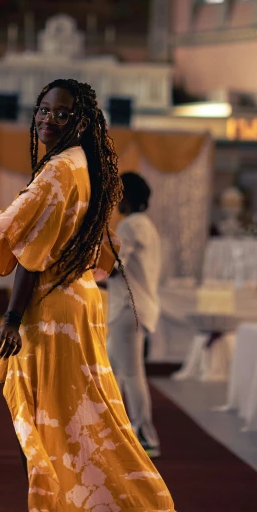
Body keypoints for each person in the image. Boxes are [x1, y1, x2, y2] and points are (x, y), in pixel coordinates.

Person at [0, 78, 205, 512]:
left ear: (80, 120)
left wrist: (13, 317)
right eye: (42, 110)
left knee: (41, 429)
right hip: (80, 303)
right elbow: (99, 251)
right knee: (83, 424)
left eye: (60, 113)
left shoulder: (58, 171)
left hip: (52, 312)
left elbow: (25, 250)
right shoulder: (89, 165)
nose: (47, 120)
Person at [105, 172, 162, 459]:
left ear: (129, 197)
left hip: (129, 307)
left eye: (118, 193)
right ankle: (113, 431)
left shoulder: (129, 226)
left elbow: (115, 269)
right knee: (112, 372)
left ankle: (146, 435)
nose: (115, 199)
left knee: (129, 373)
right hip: (134, 306)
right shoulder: (146, 226)